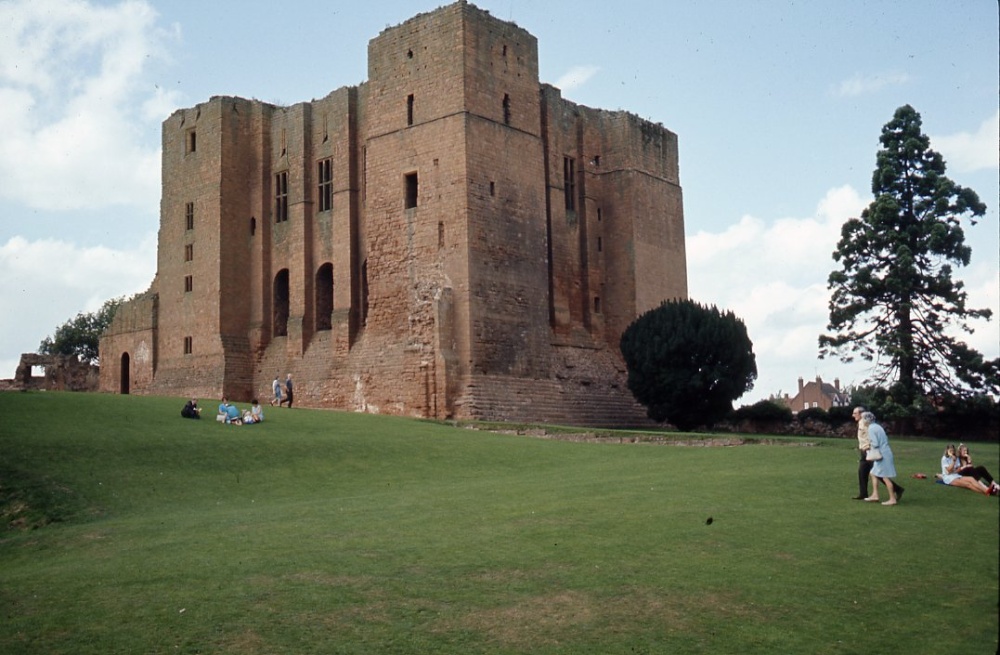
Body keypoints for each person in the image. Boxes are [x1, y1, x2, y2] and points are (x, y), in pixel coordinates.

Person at [851, 406, 903, 501]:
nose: (853, 415)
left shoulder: (867, 424)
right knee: (863, 471)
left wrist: (867, 447)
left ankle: (897, 489)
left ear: (861, 414)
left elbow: (871, 437)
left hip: (870, 451)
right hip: (865, 451)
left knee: (878, 473)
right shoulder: (864, 423)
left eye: (855, 413)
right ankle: (863, 493)